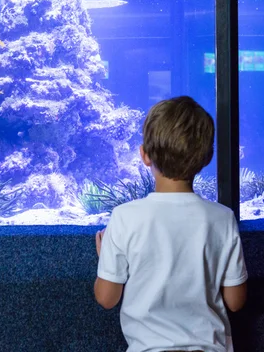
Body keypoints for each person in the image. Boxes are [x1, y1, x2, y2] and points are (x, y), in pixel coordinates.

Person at [94, 96, 247, 352]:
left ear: (144, 155)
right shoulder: (222, 218)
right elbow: (236, 301)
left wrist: (106, 257)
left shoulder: (124, 217)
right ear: (207, 157)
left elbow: (106, 299)